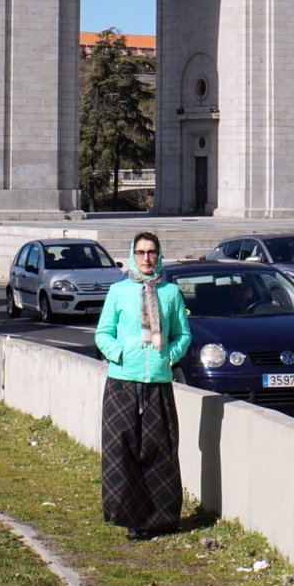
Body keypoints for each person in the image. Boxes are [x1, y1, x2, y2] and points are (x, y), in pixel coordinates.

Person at [94, 231, 191, 539]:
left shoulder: (171, 293)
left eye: (151, 252)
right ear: (132, 255)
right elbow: (103, 333)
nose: (146, 258)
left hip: (157, 383)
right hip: (122, 382)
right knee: (122, 451)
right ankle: (130, 517)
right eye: (140, 252)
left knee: (159, 450)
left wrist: (168, 357)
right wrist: (119, 354)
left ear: (159, 255)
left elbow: (183, 335)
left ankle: (160, 519)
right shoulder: (118, 291)